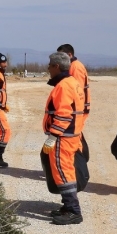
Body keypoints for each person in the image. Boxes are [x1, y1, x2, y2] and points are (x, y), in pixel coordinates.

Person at [42, 52, 87, 225]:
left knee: (63, 172)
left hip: (63, 137)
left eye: (50, 65)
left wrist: (53, 136)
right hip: (72, 135)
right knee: (66, 170)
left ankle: (74, 211)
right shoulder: (73, 83)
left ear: (56, 67)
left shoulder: (63, 86)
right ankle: (67, 207)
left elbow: (63, 115)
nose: (48, 68)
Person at [57, 44, 90, 157]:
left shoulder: (75, 67)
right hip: (75, 110)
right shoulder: (72, 66)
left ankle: (78, 167)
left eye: (61, 56)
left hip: (77, 110)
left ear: (69, 55)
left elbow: (77, 91)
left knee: (74, 138)